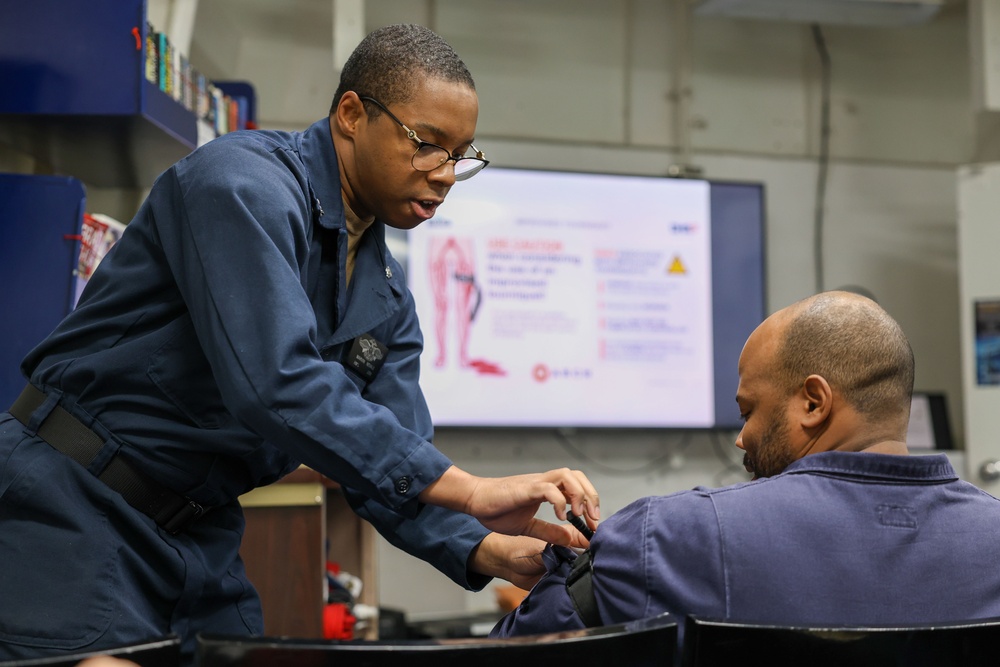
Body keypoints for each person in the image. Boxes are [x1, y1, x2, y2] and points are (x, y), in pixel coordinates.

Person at [0, 24, 598, 665]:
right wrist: (471, 490)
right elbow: (274, 383)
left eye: (462, 155)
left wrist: (489, 551)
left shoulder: (387, 301)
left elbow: (392, 465)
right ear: (350, 115)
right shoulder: (239, 185)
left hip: (199, 533)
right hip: (75, 503)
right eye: (429, 145)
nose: (446, 173)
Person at [492, 290, 1000, 645]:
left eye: (748, 410)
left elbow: (516, 654)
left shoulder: (669, 539)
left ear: (813, 403)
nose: (741, 437)